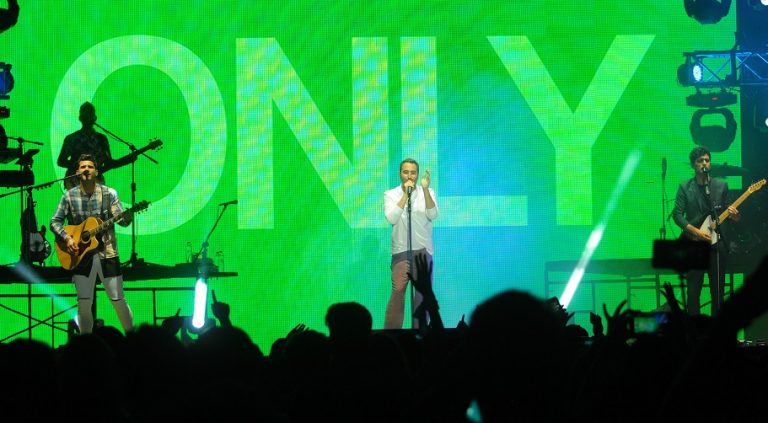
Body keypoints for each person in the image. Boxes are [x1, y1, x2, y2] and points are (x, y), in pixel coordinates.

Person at [50, 154, 134, 334]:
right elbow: (55, 222)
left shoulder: (109, 194)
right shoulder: (68, 197)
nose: (86, 169)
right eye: (83, 167)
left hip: (107, 254)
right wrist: (67, 238)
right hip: (79, 256)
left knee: (118, 299)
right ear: (77, 172)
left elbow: (122, 221)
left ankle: (133, 338)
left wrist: (127, 217)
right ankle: (85, 343)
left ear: (96, 172)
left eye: (90, 167)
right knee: (84, 303)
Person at [672, 146, 740, 316]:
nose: (704, 163)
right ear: (693, 164)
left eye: (707, 160)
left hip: (717, 244)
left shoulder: (721, 186)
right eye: (700, 160)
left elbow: (730, 215)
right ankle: (694, 329)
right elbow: (677, 215)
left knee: (717, 292)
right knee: (693, 292)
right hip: (694, 244)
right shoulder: (685, 187)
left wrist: (735, 216)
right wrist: (695, 231)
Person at [383, 158, 438, 329]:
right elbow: (391, 218)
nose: (409, 176)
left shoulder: (427, 192)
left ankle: (420, 333)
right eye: (406, 172)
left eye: (413, 172)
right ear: (400, 173)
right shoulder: (390, 194)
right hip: (401, 251)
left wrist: (426, 190)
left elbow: (433, 214)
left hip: (422, 250)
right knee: (398, 292)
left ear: (418, 174)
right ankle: (392, 335)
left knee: (422, 294)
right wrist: (405, 195)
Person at [57, 102, 134, 189]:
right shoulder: (72, 138)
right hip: (75, 182)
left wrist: (127, 160)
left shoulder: (102, 139)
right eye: (85, 114)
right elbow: (61, 161)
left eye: (90, 114)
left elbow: (109, 163)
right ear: (80, 118)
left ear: (95, 118)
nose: (88, 117)